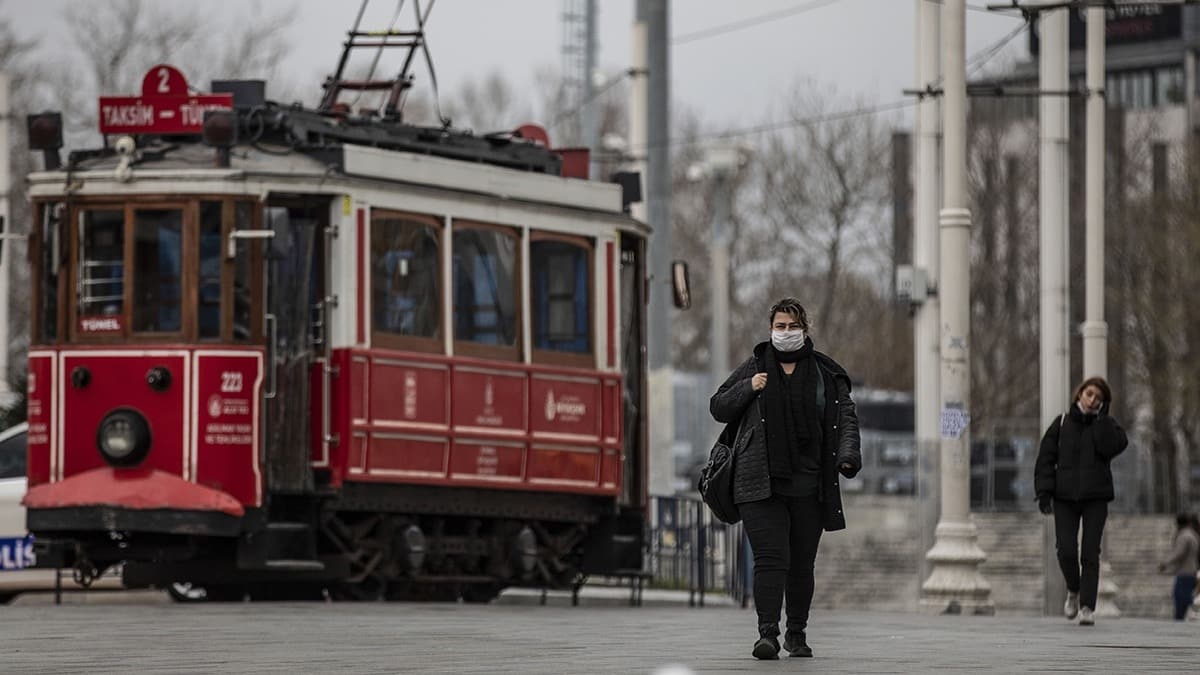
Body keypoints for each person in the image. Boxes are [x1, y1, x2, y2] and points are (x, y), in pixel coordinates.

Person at [709, 298, 861, 660]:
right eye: (780, 326)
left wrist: (848, 456)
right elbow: (718, 406)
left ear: (805, 330)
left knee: (801, 562)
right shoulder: (755, 367)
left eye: (793, 326)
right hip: (759, 483)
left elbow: (847, 419)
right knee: (770, 558)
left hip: (810, 485)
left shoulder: (826, 374)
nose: (786, 332)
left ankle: (797, 633)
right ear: (770, 329)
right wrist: (750, 387)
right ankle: (767, 634)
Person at [1034, 376, 1128, 626]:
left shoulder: (1104, 425)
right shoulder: (1062, 423)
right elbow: (1045, 458)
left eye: (1098, 397)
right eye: (1089, 394)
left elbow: (1114, 446)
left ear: (1102, 402)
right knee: (1065, 550)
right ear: (1079, 394)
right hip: (1065, 497)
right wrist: (1044, 492)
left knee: (1090, 552)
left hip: (1095, 498)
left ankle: (1087, 606)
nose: (1092, 399)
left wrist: (1102, 420)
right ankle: (1073, 590)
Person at [1158, 513, 1200, 621]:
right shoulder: (1193, 535)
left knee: (1181, 599)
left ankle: (1180, 620)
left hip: (1184, 573)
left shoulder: (1184, 536)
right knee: (1187, 597)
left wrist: (1165, 563)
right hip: (1191, 571)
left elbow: (1179, 553)